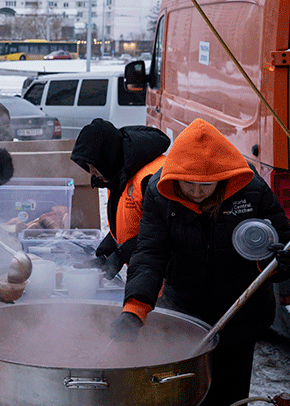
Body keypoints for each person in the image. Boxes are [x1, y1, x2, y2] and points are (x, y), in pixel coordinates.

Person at [111, 119, 290, 406]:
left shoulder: (251, 190)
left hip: (240, 314)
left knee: (228, 396)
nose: (196, 192)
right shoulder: (160, 194)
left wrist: (280, 262)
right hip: (184, 314)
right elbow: (150, 254)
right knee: (186, 394)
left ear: (222, 177)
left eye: (205, 185)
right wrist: (135, 309)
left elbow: (278, 241)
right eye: (188, 183)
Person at [70, 118, 170, 278]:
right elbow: (133, 221)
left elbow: (167, 232)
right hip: (148, 276)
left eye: (94, 166)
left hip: (169, 281)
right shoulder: (117, 175)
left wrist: (122, 254)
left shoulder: (152, 180)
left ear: (107, 157)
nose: (92, 173)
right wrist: (107, 251)